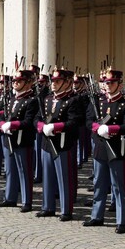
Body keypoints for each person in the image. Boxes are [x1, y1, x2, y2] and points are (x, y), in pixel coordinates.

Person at [84, 68, 125, 232]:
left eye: (111, 82)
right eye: (105, 82)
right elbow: (88, 120)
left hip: (116, 148)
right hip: (100, 148)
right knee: (99, 183)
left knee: (118, 186)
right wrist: (96, 127)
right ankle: (96, 216)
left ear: (119, 85)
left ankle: (121, 221)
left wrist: (111, 129)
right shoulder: (98, 101)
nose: (107, 85)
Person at [36, 67, 85, 220]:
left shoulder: (73, 100)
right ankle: (48, 206)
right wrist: (41, 127)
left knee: (65, 178)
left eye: (58, 81)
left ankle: (66, 209)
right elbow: (38, 117)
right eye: (53, 81)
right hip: (47, 141)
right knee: (48, 176)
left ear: (67, 82)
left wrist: (56, 127)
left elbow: (75, 121)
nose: (54, 84)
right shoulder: (48, 99)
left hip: (63, 144)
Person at [0, 69, 39, 212]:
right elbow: (2, 115)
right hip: (8, 139)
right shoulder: (12, 99)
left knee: (24, 171)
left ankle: (27, 201)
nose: (15, 83)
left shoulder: (32, 100)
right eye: (14, 81)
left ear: (28, 83)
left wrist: (13, 125)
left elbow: (29, 121)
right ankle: (10, 197)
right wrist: (3, 124)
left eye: (19, 81)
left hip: (22, 140)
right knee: (10, 170)